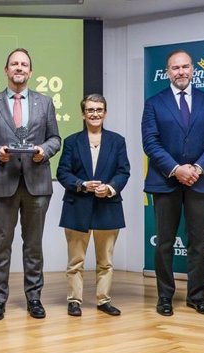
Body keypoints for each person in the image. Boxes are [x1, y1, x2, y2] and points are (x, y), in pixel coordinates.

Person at [0, 48, 61, 321]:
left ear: (30, 72)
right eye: (14, 64)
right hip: (3, 182)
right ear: (6, 70)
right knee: (1, 245)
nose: (19, 68)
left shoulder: (45, 103)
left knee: (33, 245)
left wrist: (43, 151)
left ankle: (34, 298)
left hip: (37, 183)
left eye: (24, 64)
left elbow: (55, 139)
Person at [141, 49, 204, 317]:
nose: (181, 72)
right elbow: (150, 143)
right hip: (165, 182)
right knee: (164, 243)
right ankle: (165, 296)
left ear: (193, 70)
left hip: (200, 181)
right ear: (167, 72)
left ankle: (197, 296)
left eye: (185, 67)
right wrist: (176, 169)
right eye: (175, 68)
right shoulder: (153, 103)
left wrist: (197, 168)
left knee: (199, 242)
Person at [57, 94, 130, 317]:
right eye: (90, 110)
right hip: (77, 206)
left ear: (105, 113)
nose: (95, 113)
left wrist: (109, 188)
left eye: (99, 110)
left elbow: (123, 171)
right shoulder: (71, 141)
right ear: (83, 114)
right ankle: (74, 300)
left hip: (107, 206)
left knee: (106, 261)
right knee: (75, 261)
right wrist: (81, 184)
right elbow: (62, 172)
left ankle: (103, 300)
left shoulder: (118, 141)